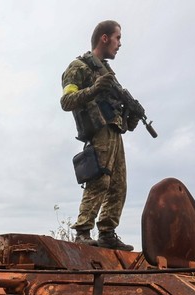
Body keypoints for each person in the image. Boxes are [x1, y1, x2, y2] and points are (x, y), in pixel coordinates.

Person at [60, 20, 141, 251]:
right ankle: (83, 231)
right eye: (117, 38)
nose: (119, 44)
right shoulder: (79, 67)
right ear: (104, 38)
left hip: (113, 133)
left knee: (118, 185)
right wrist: (95, 88)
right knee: (100, 179)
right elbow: (67, 101)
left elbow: (116, 114)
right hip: (98, 133)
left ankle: (107, 233)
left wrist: (130, 116)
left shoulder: (108, 73)